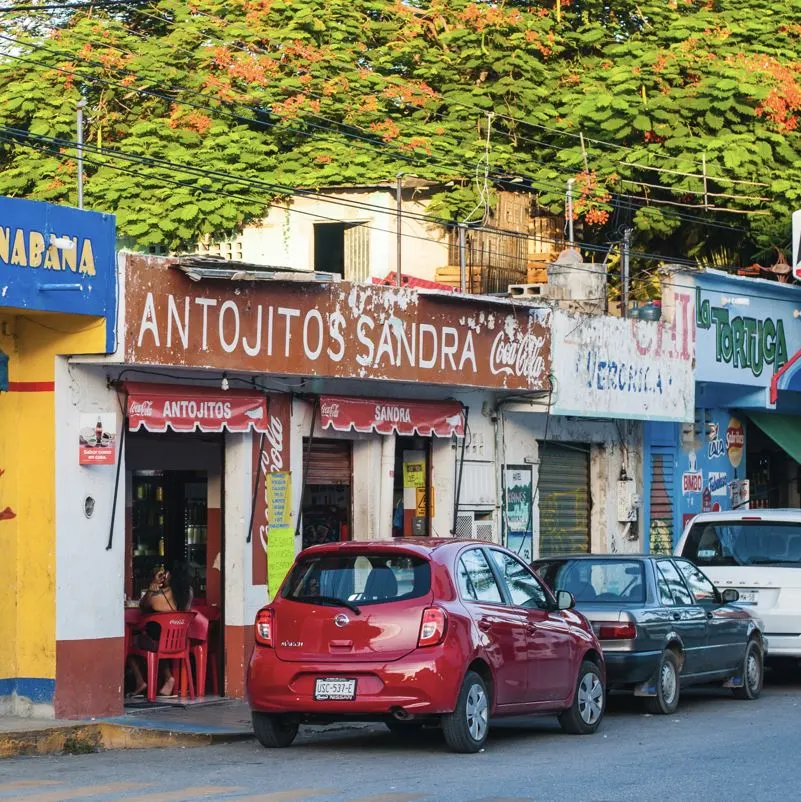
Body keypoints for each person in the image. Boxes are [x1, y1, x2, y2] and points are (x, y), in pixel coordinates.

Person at [127, 563, 194, 698]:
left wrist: (153, 585)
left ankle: (140, 682)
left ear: (169, 575)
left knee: (130, 645)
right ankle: (169, 678)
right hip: (179, 643)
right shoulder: (189, 593)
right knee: (160, 641)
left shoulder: (161, 595)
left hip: (160, 644)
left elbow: (143, 605)